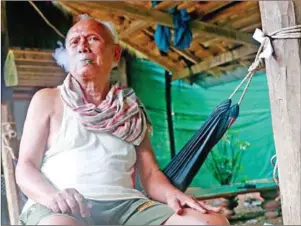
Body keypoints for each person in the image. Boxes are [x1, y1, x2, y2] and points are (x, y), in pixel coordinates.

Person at [16, 15, 229, 225]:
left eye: (92, 39)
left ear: (116, 54)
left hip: (127, 207)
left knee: (211, 223)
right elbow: (25, 167)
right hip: (65, 207)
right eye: (74, 42)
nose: (82, 47)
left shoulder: (131, 109)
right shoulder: (48, 99)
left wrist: (174, 194)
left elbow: (151, 174)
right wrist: (52, 196)